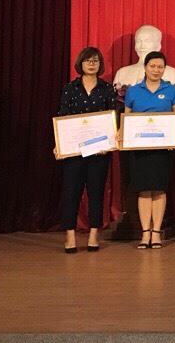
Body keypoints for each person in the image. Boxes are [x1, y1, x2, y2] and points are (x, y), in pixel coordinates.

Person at [56, 46, 117, 253]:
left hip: (99, 151)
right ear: (80, 64)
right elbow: (63, 116)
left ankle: (93, 235)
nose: (92, 64)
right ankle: (70, 236)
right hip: (74, 151)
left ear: (100, 65)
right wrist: (59, 144)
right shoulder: (69, 88)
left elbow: (111, 117)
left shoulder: (107, 89)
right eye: (88, 60)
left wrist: (110, 141)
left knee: (96, 192)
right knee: (71, 192)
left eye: (95, 61)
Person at [120, 51, 175, 250]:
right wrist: (122, 135)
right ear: (145, 67)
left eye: (160, 67)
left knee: (159, 189)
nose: (156, 70)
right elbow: (126, 117)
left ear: (164, 69)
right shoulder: (133, 91)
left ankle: (156, 233)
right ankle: (145, 233)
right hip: (139, 148)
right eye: (152, 66)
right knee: (144, 190)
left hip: (163, 147)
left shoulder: (171, 90)